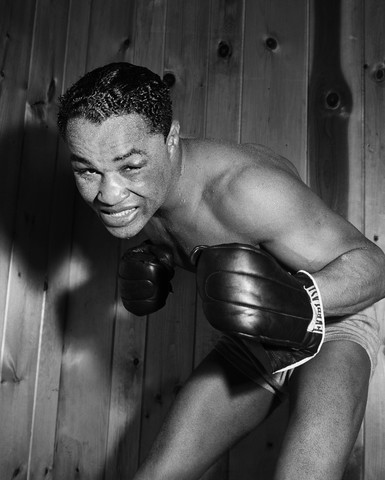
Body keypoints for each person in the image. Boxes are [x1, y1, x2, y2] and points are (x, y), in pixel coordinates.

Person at [57, 62, 385, 480]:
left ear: (171, 139)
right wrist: (154, 254)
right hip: (254, 341)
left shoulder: (246, 188)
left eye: (130, 166)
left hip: (336, 326)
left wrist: (298, 301)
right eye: (87, 170)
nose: (108, 194)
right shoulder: (142, 200)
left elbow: (375, 267)